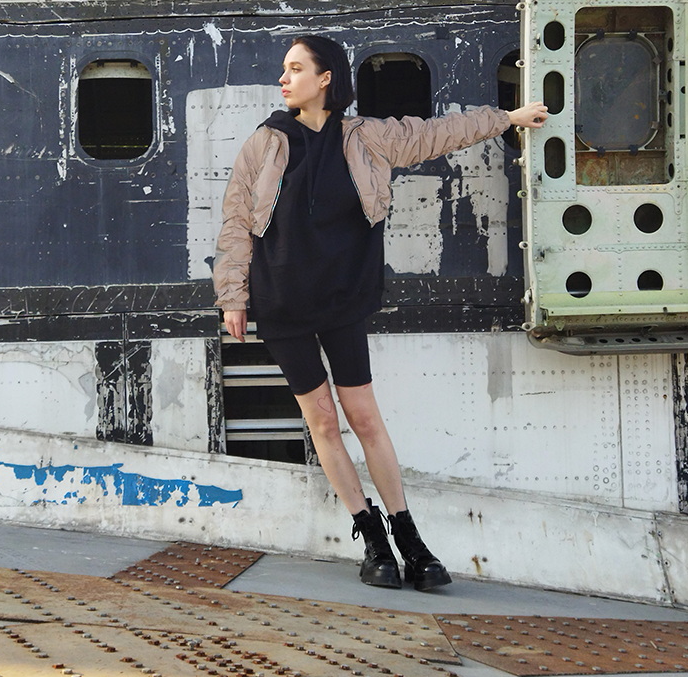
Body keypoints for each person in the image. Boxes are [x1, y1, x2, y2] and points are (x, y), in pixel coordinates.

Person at [213, 35, 547, 591]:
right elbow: (235, 221)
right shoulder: (264, 143)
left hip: (344, 297)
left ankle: (409, 539)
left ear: (325, 78)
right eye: (284, 70)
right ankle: (372, 539)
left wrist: (507, 118)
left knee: (365, 419)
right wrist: (232, 296)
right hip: (282, 303)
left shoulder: (365, 137)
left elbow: (435, 133)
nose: (284, 79)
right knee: (323, 421)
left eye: (296, 69)